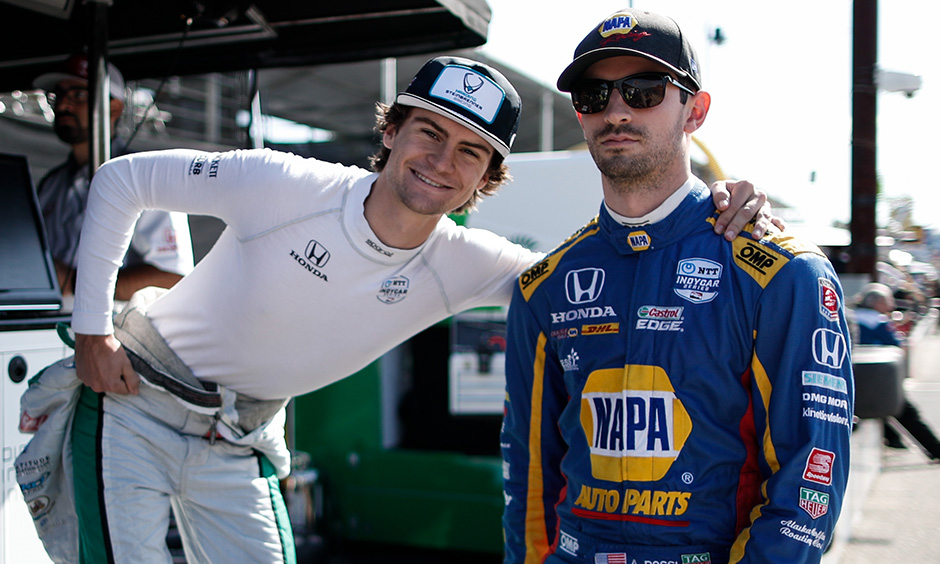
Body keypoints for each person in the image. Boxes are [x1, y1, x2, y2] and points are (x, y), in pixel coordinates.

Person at [16, 55, 774, 564]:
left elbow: (604, 274)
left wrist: (715, 205)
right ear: (391, 131)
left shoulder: (465, 262)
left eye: (469, 152)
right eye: (429, 133)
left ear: (486, 180)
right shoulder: (286, 183)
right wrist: (90, 335)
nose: (441, 161)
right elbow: (121, 181)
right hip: (133, 402)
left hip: (237, 439)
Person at [500, 10, 853, 564]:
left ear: (696, 110)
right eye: (595, 95)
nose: (616, 110)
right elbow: (529, 476)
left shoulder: (781, 274)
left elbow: (807, 487)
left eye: (643, 90)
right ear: (580, 113)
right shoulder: (544, 287)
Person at [32, 53, 193, 301]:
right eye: (58, 95)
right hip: (39, 330)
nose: (63, 106)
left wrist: (74, 283)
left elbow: (171, 278)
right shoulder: (52, 184)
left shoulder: (144, 178)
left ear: (114, 107)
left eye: (78, 95)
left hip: (116, 333)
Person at [855, 282, 940, 459]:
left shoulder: (851, 318)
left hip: (853, 377)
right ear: (877, 303)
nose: (891, 305)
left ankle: (894, 440)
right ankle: (935, 449)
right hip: (879, 376)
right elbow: (897, 346)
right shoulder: (878, 322)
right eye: (888, 301)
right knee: (906, 412)